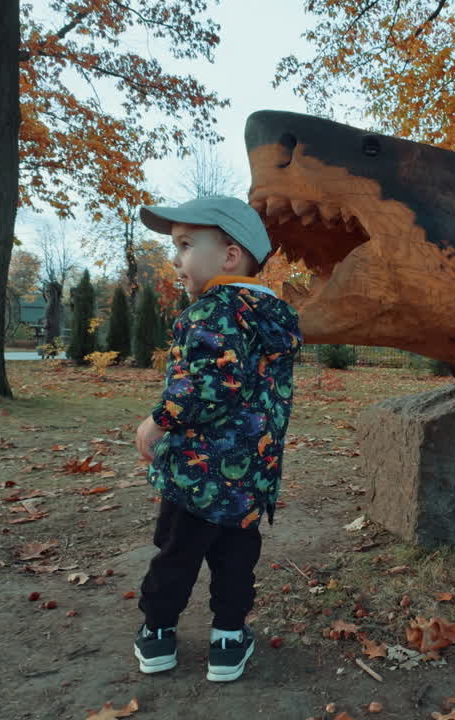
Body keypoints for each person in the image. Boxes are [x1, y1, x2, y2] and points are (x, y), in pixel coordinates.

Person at [131, 196, 302, 681]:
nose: (176, 259)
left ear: (229, 256)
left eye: (185, 245)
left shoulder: (211, 313)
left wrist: (159, 419)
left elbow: (210, 383)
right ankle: (228, 638)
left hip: (197, 474)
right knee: (235, 559)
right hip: (252, 473)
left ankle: (159, 632)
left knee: (176, 553)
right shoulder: (273, 316)